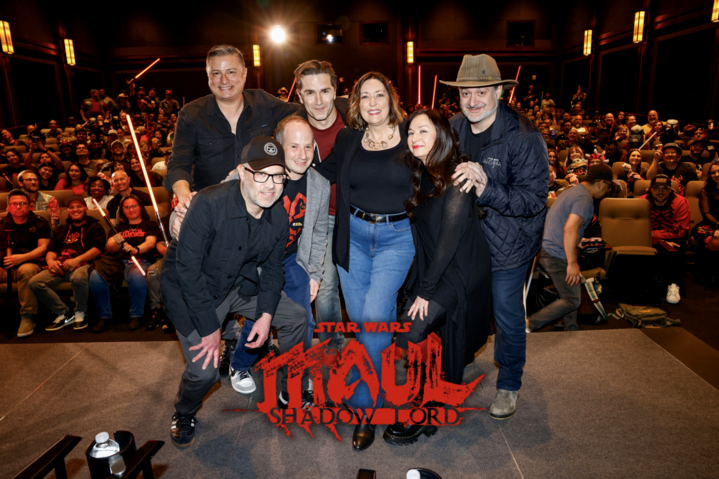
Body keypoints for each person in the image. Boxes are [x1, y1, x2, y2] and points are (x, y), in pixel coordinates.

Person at [161, 136, 309, 448]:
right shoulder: (209, 203)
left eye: (278, 176)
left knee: (295, 316)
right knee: (205, 373)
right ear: (242, 172)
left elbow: (273, 270)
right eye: (261, 174)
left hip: (238, 285)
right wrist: (209, 328)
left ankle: (289, 388)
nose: (270, 185)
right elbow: (187, 270)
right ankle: (184, 411)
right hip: (194, 292)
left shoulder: (278, 216)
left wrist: (266, 315)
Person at [441, 54, 548, 420]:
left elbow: (533, 201)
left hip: (510, 244)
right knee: (462, 309)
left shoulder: (524, 137)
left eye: (481, 92)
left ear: (500, 92)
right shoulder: (454, 127)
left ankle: (509, 383)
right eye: (465, 93)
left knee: (506, 315)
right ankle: (462, 359)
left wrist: (486, 189)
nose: (472, 101)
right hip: (467, 240)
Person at [314, 71, 414, 451]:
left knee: (372, 320)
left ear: (391, 100)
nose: (373, 103)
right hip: (353, 237)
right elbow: (319, 172)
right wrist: (273, 168)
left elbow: (440, 165)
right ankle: (381, 382)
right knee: (364, 325)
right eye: (365, 96)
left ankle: (365, 409)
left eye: (379, 95)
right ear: (356, 103)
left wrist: (469, 168)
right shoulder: (348, 139)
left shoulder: (410, 136)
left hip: (397, 239)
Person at [382, 109, 493, 446]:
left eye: (423, 131)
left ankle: (427, 405)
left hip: (460, 272)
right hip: (435, 267)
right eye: (411, 132)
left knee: (412, 330)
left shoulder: (457, 177)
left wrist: (425, 291)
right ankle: (426, 395)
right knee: (422, 334)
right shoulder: (422, 174)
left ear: (441, 135)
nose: (414, 137)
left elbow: (448, 243)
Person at [222, 117, 330, 398]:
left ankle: (294, 382)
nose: (302, 154)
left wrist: (314, 273)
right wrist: (179, 216)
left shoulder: (319, 185)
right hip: (253, 261)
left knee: (303, 320)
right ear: (279, 146)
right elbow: (214, 199)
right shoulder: (254, 173)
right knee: (262, 314)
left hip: (291, 259)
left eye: (308, 146)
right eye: (294, 146)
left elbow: (319, 231)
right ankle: (240, 364)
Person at [165, 44, 299, 229]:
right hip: (210, 214)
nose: (224, 80)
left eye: (231, 72)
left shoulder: (264, 103)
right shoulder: (191, 114)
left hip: (258, 214)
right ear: (208, 76)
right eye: (216, 73)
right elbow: (179, 163)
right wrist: (183, 195)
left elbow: (307, 111)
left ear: (244, 73)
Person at [293, 59, 350, 366]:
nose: (318, 100)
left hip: (357, 216)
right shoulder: (293, 129)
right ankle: (331, 345)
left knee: (360, 286)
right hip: (319, 219)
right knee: (325, 284)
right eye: (310, 92)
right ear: (299, 95)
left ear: (335, 91)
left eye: (324, 91)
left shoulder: (355, 120)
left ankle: (375, 341)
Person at [526, 165, 613, 332]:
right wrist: (572, 263)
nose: (607, 190)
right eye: (608, 186)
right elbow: (569, 229)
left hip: (548, 247)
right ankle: (530, 323)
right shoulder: (584, 199)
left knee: (571, 290)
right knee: (572, 299)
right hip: (555, 252)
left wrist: (579, 241)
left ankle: (570, 328)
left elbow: (561, 223)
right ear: (601, 183)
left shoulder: (572, 191)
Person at [29, 196, 105, 331]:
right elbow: (52, 250)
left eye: (79, 206)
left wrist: (77, 260)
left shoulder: (95, 227)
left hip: (84, 263)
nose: (75, 209)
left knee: (79, 277)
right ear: (68, 211)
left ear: (86, 209)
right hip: (60, 265)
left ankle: (80, 312)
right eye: (72, 207)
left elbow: (97, 249)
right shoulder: (60, 229)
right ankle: (63, 313)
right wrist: (50, 261)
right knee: (35, 283)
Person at [89, 195, 159, 332]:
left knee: (136, 274)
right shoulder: (118, 227)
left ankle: (136, 315)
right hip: (117, 261)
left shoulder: (149, 224)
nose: (130, 209)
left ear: (140, 207)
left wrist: (136, 249)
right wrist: (116, 242)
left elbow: (150, 243)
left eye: (133, 206)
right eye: (126, 207)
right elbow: (110, 247)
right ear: (122, 211)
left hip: (141, 261)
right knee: (95, 276)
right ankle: (104, 316)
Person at [0, 190, 51, 337]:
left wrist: (22, 258)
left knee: (26, 270)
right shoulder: (1, 224)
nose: (18, 206)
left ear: (30, 206)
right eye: (14, 204)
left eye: (22, 203)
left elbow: (43, 248)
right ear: (8, 207)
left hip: (30, 263)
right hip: (4, 268)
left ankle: (27, 316)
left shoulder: (40, 222)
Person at [640, 174, 691, 303]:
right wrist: (661, 240)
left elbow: (680, 230)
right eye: (656, 188)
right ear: (650, 189)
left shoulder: (681, 202)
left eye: (665, 188)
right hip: (647, 240)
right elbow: (636, 230)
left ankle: (674, 284)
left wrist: (652, 235)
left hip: (672, 239)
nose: (660, 191)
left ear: (670, 190)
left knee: (678, 246)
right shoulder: (641, 202)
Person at [693, 163, 719, 284]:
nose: (717, 174)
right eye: (713, 172)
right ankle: (710, 273)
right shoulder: (705, 191)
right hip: (709, 224)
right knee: (715, 242)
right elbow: (706, 213)